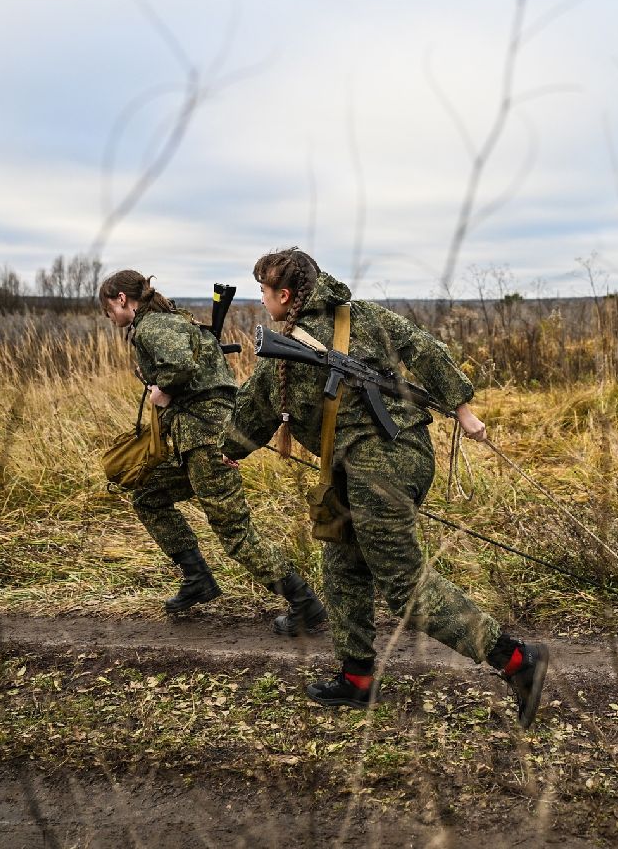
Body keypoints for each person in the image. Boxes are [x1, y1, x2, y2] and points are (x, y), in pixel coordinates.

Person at [222, 248, 550, 727]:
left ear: (285, 295)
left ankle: (518, 661)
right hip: (390, 458)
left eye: (264, 293)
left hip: (380, 465)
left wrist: (230, 447)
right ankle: (357, 679)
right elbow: (424, 347)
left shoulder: (284, 355)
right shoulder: (364, 317)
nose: (262, 301)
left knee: (404, 587)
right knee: (342, 564)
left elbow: (257, 409)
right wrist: (461, 407)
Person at [98, 269, 328, 632]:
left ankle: (304, 604)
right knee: (148, 495)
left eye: (108, 309)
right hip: (196, 441)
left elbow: (179, 367)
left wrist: (164, 390)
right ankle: (197, 578)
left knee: (234, 531)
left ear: (121, 299)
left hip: (207, 441)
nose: (109, 317)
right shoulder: (171, 321)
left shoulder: (154, 325)